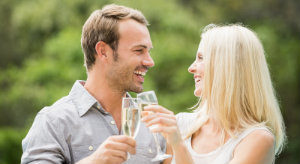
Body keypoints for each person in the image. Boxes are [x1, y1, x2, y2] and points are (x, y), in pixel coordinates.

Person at [21, 4, 166, 164]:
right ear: (103, 51)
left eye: (149, 51)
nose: (150, 61)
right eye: (139, 50)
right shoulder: (53, 121)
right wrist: (94, 161)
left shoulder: (153, 122)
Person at [141, 24, 286, 164]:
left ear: (227, 67)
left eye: (201, 58)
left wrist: (179, 146)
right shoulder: (180, 124)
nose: (191, 68)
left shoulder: (257, 139)